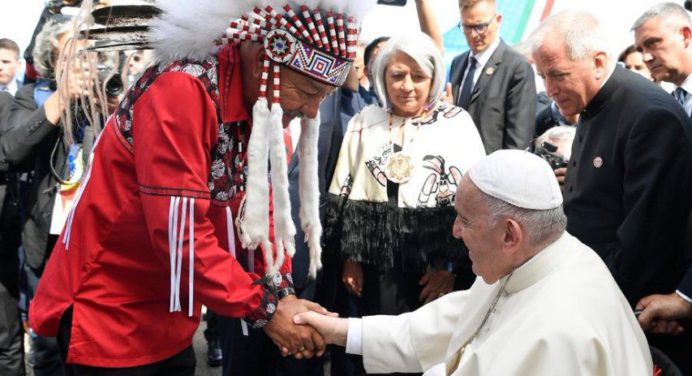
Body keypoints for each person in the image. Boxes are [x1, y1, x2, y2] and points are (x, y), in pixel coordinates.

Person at [27, 1, 373, 374]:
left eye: (323, 97)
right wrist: (266, 309)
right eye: (307, 91)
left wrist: (281, 291)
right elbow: (179, 235)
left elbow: (259, 205)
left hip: (169, 314)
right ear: (262, 63)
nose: (311, 111)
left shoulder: (250, 99)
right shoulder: (181, 88)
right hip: (109, 315)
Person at [297, 150, 653, 376]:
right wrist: (338, 331)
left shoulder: (559, 332)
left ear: (510, 234)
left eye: (465, 220)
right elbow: (447, 326)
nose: (454, 231)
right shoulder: (534, 259)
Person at [532, 9, 692, 372]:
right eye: (543, 76)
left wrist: (590, 301)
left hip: (622, 311)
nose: (549, 89)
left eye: (557, 75)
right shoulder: (594, 104)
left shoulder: (649, 115)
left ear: (599, 62)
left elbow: (646, 241)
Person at [325, 31, 486, 375]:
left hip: (435, 270)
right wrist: (350, 259)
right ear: (382, 77)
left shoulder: (457, 123)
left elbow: (476, 203)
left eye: (418, 76)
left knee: (429, 353)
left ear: (434, 78)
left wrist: (449, 267)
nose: (407, 86)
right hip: (377, 265)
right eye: (397, 75)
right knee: (378, 350)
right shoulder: (365, 121)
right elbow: (344, 187)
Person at [449, 0, 536, 154]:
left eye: (480, 26)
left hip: (490, 170)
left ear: (498, 20)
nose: (474, 35)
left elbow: (518, 140)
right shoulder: (458, 63)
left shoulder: (516, 68)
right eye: (467, 27)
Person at [633, 2, 692, 117]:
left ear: (685, 36)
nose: (645, 58)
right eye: (640, 50)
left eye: (652, 43)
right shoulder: (663, 106)